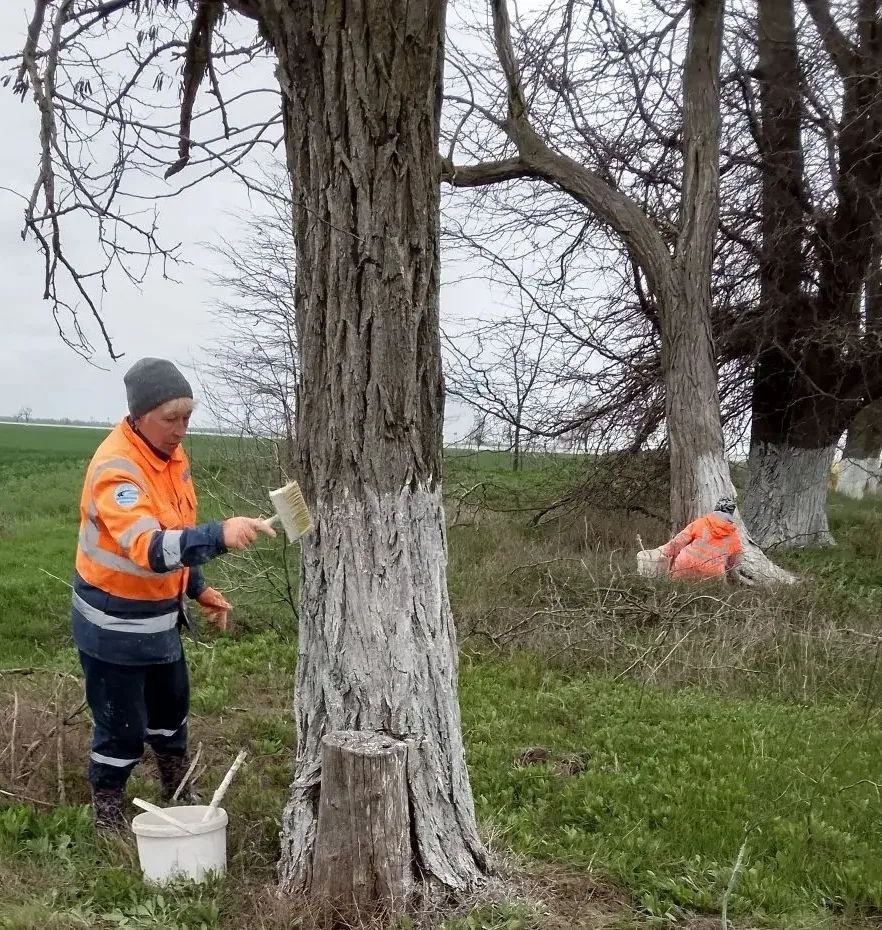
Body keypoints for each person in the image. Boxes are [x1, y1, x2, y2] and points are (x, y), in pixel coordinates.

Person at [72, 357, 275, 829]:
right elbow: (150, 547)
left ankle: (176, 785)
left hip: (161, 621)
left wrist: (198, 588)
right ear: (139, 416)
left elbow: (175, 531)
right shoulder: (117, 470)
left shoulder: (171, 457)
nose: (181, 429)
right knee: (119, 724)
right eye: (171, 418)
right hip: (113, 626)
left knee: (170, 710)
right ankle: (108, 810)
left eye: (187, 417)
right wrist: (220, 535)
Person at [659, 496, 743, 581]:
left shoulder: (702, 522)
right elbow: (735, 562)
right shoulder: (734, 535)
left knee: (676, 587)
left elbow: (679, 541)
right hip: (712, 576)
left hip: (684, 567)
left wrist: (665, 552)